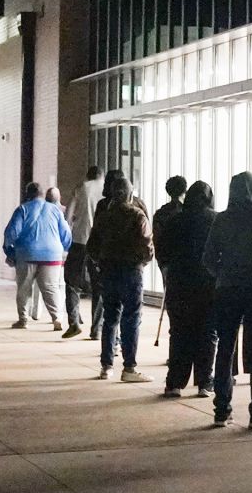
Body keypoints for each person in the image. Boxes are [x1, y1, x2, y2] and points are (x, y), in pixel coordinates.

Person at [203, 172, 252, 428]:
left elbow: (208, 259)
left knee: (225, 347)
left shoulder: (221, 220)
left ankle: (222, 409)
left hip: (227, 290)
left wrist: (223, 274)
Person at [86, 176, 153, 382]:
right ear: (130, 194)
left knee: (110, 316)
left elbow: (92, 246)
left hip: (108, 270)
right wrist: (142, 261)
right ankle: (129, 367)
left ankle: (106, 366)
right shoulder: (137, 215)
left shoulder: (103, 217)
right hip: (131, 271)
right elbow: (147, 245)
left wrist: (100, 262)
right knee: (131, 317)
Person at [156, 181, 217, 398]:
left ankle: (175, 383)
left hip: (179, 285)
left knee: (180, 332)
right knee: (207, 332)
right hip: (207, 285)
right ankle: (204, 382)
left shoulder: (175, 220)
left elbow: (162, 251)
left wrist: (167, 271)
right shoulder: (215, 220)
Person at [5, 181, 73, 331]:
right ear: (42, 195)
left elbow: (11, 232)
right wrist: (64, 249)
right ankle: (57, 319)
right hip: (52, 254)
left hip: (26, 253)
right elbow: (66, 233)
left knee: (24, 288)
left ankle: (23, 320)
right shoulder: (56, 210)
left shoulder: (22, 209)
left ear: (27, 194)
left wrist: (9, 251)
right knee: (51, 288)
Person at [63, 166, 105, 339]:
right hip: (100, 244)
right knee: (98, 286)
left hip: (80, 240)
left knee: (72, 282)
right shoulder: (106, 189)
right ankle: (97, 329)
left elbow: (68, 216)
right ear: (102, 176)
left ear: (88, 176)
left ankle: (74, 323)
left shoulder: (81, 188)